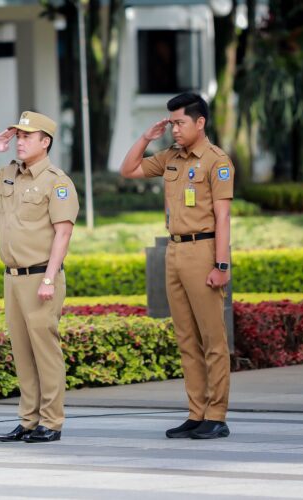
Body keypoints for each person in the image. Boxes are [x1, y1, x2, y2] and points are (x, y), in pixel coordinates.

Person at [0, 111, 79, 443]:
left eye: (27, 136)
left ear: (45, 141)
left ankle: (51, 422)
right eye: (18, 136)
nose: (20, 142)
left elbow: (62, 235)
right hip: (12, 278)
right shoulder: (8, 173)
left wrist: (50, 279)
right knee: (23, 353)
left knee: (45, 352)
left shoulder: (57, 181)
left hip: (41, 276)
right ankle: (28, 420)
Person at [119, 92, 234, 439]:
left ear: (200, 122)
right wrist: (145, 138)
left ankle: (217, 415)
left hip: (203, 250)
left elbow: (223, 216)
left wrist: (222, 264)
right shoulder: (170, 157)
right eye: (171, 123)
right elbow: (128, 170)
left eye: (180, 122)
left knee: (212, 338)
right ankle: (196, 412)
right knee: (186, 338)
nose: (174, 130)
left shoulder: (217, 161)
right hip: (174, 251)